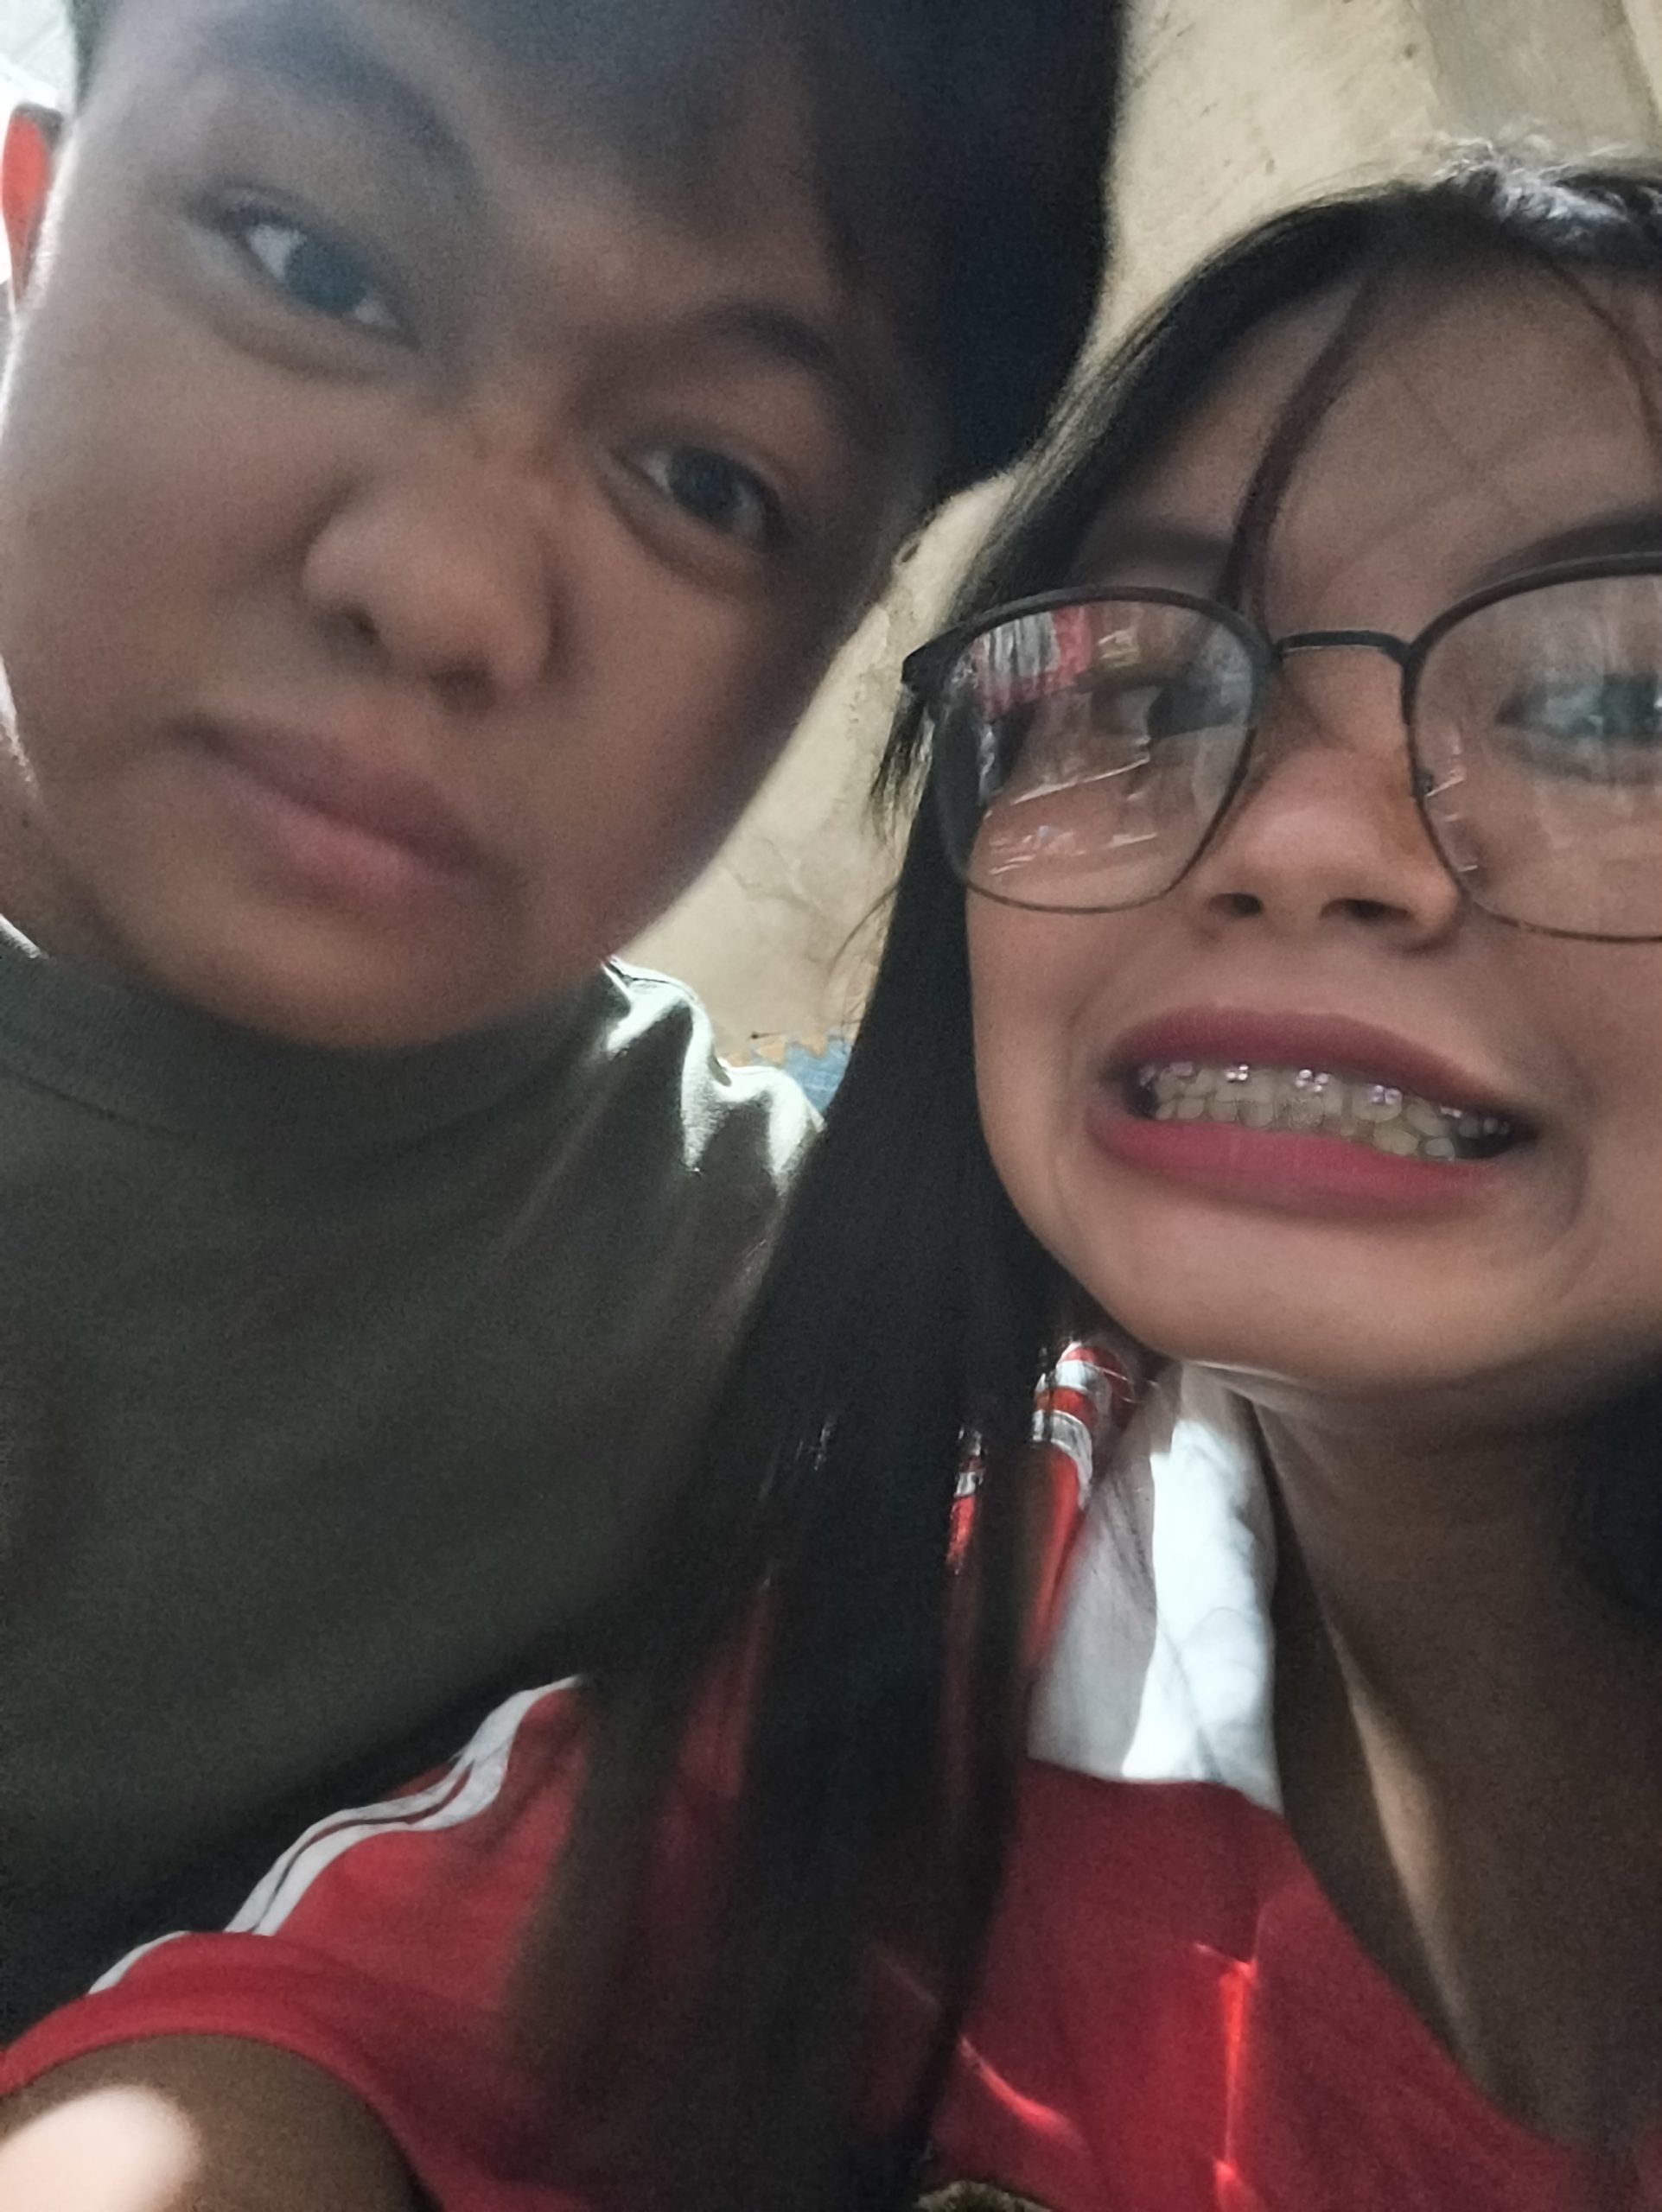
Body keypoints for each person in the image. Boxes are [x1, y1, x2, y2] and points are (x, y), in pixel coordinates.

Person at [7, 149, 1662, 2211]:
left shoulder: (759, 1282)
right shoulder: (944, 1590)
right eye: (1142, 689)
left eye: (1616, 699)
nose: (1299, 829)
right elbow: (298, 2045)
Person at [0, 0, 1123, 2037]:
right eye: (310, 264)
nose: (445, 590)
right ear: (30, 219)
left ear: (849, 611)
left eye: (706, 479)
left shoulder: (793, 1334)